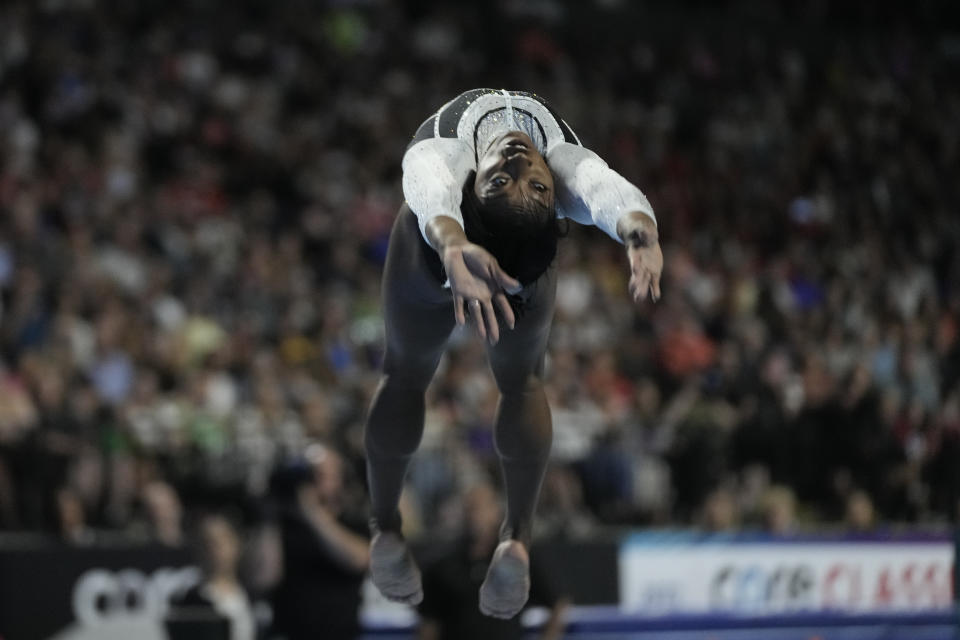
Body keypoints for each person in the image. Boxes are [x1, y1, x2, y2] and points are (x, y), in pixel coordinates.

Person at [364, 88, 663, 618]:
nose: (520, 160)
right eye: (521, 179)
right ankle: (517, 536)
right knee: (521, 381)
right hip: (472, 259)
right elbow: (604, 190)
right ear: (558, 201)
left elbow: (427, 180)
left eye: (506, 178)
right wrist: (639, 230)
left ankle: (386, 526)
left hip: (433, 258)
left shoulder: (451, 153)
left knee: (406, 375)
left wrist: (452, 243)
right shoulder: (562, 167)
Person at [418, 484, 569, 640]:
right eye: (470, 509)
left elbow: (558, 603)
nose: (475, 516)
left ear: (496, 512)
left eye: (481, 508)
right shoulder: (443, 566)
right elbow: (430, 624)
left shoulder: (517, 558)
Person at [270, 444, 370, 640]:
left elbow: (359, 560)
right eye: (309, 474)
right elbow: (262, 577)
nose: (312, 481)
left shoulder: (353, 522)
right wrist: (269, 517)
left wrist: (312, 512)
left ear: (340, 479)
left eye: (321, 475)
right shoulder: (283, 524)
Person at [169, 514, 255, 640]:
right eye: (207, 543)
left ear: (237, 544)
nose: (215, 550)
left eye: (222, 541)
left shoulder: (255, 597)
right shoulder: (188, 602)